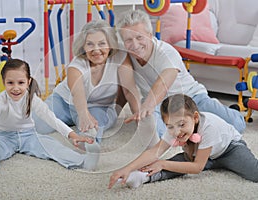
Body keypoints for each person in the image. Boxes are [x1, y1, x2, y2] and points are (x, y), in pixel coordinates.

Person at [115, 9, 246, 137]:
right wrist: (140, 114)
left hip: (191, 98)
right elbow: (128, 90)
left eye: (139, 37)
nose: (135, 44)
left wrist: (147, 106)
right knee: (154, 134)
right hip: (159, 105)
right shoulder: (125, 56)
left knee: (236, 124)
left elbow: (163, 83)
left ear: (150, 35)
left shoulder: (166, 52)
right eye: (128, 40)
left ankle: (225, 110)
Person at [0, 58, 101, 179]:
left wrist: (71, 135)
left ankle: (82, 161)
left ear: (28, 82)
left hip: (29, 135)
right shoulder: (0, 99)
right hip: (3, 137)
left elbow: (50, 118)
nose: (15, 88)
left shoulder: (32, 99)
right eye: (10, 83)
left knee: (52, 146)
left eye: (21, 82)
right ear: (3, 82)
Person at [108, 94, 258, 189]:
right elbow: (155, 152)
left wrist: (162, 163)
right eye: (170, 126)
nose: (177, 132)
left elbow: (197, 167)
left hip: (229, 150)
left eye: (181, 125)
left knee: (255, 173)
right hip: (199, 154)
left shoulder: (209, 127)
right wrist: (126, 168)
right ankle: (142, 177)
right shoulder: (175, 128)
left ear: (195, 118)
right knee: (175, 164)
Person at [33, 19, 140, 143]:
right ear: (83, 47)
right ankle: (70, 120)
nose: (96, 50)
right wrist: (83, 115)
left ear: (110, 45)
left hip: (98, 107)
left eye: (101, 43)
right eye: (90, 44)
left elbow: (129, 90)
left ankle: (84, 147)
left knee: (91, 133)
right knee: (36, 125)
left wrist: (138, 115)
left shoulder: (120, 57)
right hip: (64, 102)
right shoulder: (77, 65)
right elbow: (77, 93)